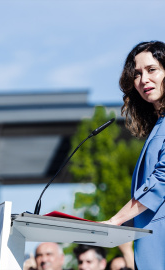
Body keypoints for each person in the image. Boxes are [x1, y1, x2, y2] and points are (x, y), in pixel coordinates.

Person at [101, 40, 165, 269]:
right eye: (137, 74)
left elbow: (161, 181)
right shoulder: (159, 126)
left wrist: (115, 221)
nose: (144, 79)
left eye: (152, 69)